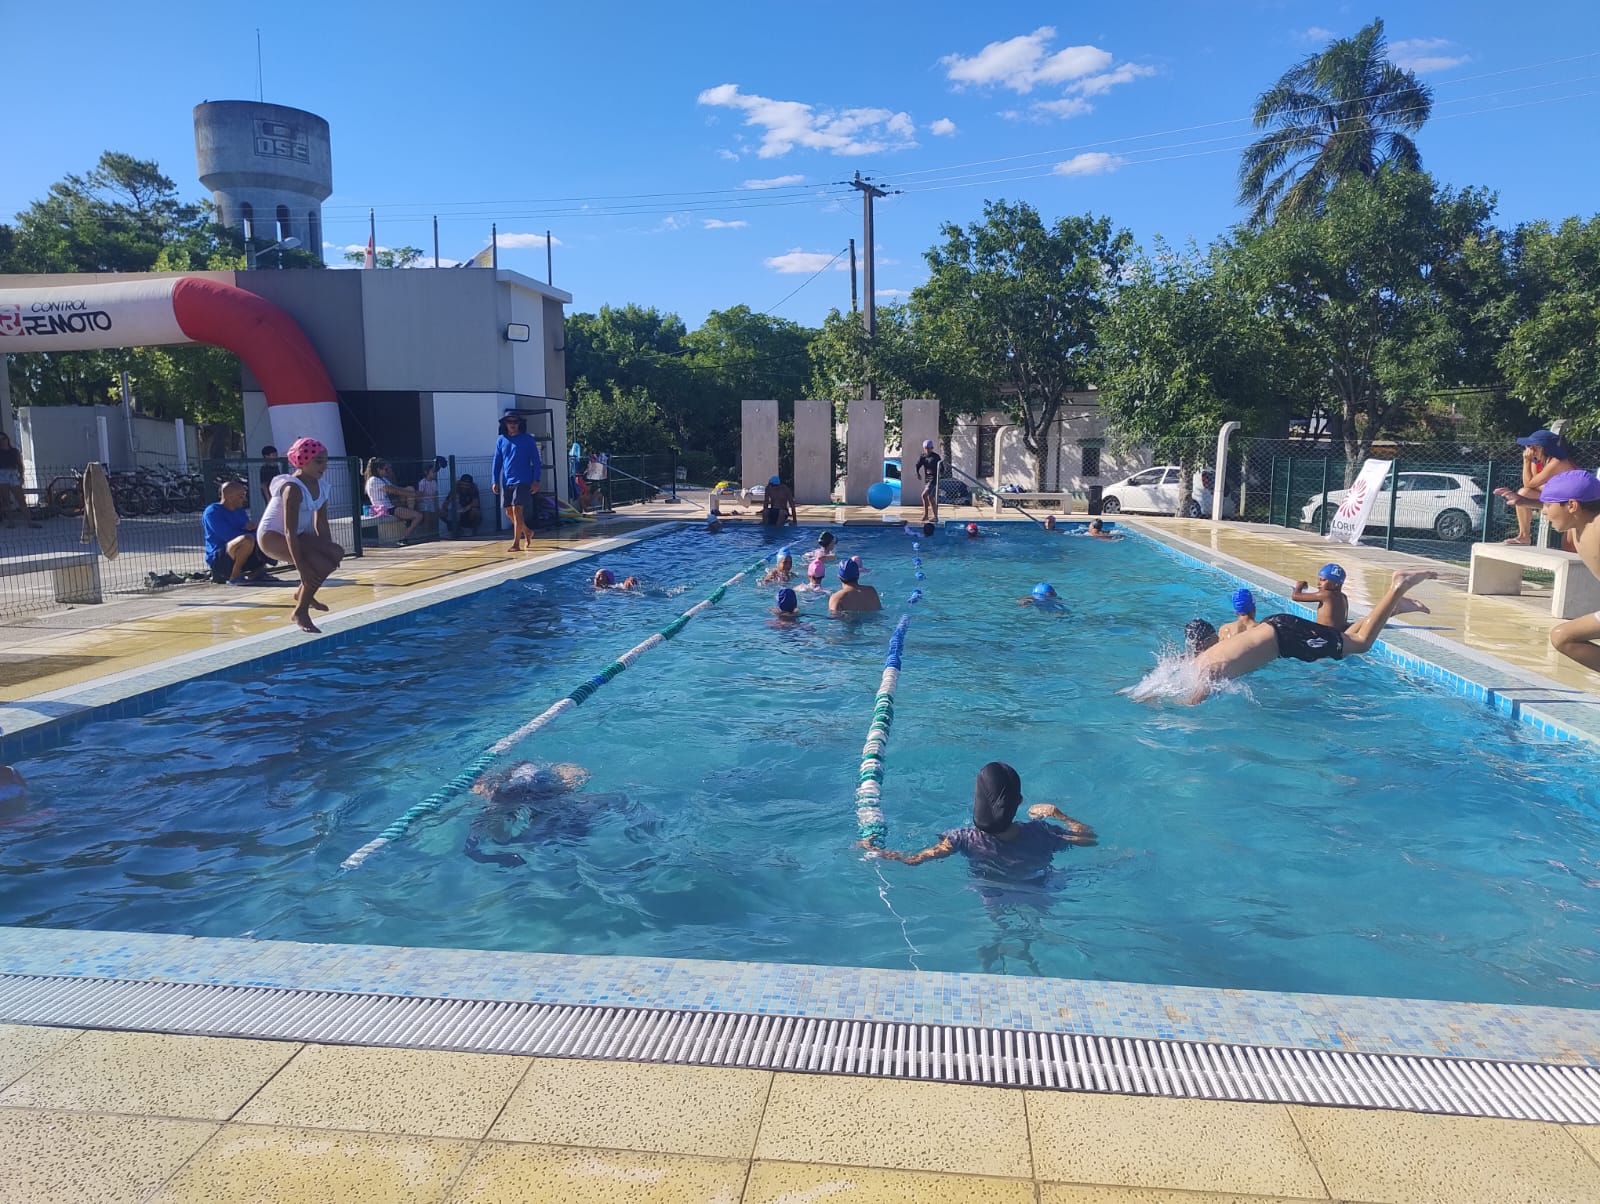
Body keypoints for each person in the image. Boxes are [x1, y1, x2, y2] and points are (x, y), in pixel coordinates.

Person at [1176, 569, 1439, 704]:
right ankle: (1393, 606)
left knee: (1361, 644)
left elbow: (1197, 695)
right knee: (1348, 640)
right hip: (1279, 628)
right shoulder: (1202, 661)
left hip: (1286, 637)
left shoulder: (1206, 671)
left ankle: (1398, 587)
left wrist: (1186, 709)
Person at [875, 761, 1096, 868]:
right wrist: (1058, 814)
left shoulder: (963, 838)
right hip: (1040, 890)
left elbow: (914, 859)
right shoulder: (1043, 832)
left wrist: (875, 850)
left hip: (992, 896)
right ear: (1019, 802)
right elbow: (1088, 839)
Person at [258, 437, 346, 633]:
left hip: (296, 534)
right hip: (272, 537)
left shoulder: (322, 486)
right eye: (319, 461)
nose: (324, 467)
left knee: (335, 554)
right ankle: (301, 611)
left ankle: (303, 594)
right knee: (317, 565)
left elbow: (321, 523)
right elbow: (288, 530)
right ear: (302, 461)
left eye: (325, 461)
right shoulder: (292, 488)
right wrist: (302, 569)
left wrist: (328, 551)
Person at [1536, 471, 1600, 671]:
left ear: (1572, 505)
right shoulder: (1577, 524)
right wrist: (1523, 501)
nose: (1543, 512)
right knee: (1562, 637)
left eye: (1548, 505)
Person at [1496, 429, 1580, 546]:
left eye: (1529, 446)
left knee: (1569, 544)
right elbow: (1530, 484)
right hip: (1557, 497)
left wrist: (1526, 461)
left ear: (1540, 448)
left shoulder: (1557, 462)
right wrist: (1531, 464)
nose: (1526, 449)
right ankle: (1524, 536)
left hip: (1573, 502)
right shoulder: (1538, 460)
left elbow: (1531, 483)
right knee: (1523, 493)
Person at [202, 479, 272, 584]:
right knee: (247, 540)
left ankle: (258, 572)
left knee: (266, 535)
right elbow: (229, 536)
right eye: (241, 496)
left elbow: (248, 531)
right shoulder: (212, 512)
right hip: (219, 557)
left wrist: (256, 530)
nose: (244, 499)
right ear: (230, 497)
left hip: (240, 550)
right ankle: (234, 576)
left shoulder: (240, 511)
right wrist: (248, 532)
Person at [492, 412, 543, 553]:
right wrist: (494, 480)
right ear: (505, 424)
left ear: (520, 423)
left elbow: (536, 461)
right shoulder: (501, 440)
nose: (512, 424)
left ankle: (516, 543)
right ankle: (527, 531)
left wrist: (536, 480)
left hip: (523, 480)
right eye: (509, 422)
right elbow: (497, 462)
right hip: (507, 481)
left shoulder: (528, 439)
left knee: (517, 510)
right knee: (509, 512)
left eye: (515, 421)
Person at [363, 457, 423, 541]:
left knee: (410, 488)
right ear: (378, 470)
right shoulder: (374, 480)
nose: (387, 471)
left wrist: (413, 492)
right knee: (418, 516)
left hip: (391, 505)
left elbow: (396, 488)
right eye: (385, 469)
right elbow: (394, 491)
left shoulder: (382, 478)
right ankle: (404, 536)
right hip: (387, 509)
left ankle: (409, 518)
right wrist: (413, 494)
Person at [1291, 563, 1350, 629]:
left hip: (1323, 633)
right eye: (1319, 579)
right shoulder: (1344, 597)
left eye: (1323, 580)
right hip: (1336, 633)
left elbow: (1295, 596)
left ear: (1336, 584)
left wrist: (1299, 585)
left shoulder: (1326, 594)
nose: (1318, 583)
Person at [0, 432, 36, 526]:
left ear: (7, 439)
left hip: (13, 474)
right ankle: (10, 522)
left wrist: (21, 475)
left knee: (21, 498)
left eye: (4, 438)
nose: (2, 441)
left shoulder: (14, 451)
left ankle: (29, 521)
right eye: (0, 440)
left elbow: (20, 464)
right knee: (6, 500)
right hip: (2, 475)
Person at [915, 439, 943, 523]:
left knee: (924, 495)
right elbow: (917, 465)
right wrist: (918, 473)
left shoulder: (936, 457)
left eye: (929, 448)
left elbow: (942, 468)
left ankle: (926, 515)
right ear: (924, 448)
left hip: (933, 479)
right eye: (926, 448)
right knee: (930, 498)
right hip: (927, 479)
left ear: (932, 448)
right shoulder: (923, 456)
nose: (927, 450)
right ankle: (935, 517)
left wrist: (940, 474)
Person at [257, 445, 282, 509]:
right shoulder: (264, 468)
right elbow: (264, 485)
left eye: (276, 455)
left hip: (277, 492)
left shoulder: (275, 467)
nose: (276, 456)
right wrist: (268, 498)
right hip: (270, 493)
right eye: (273, 455)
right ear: (266, 456)